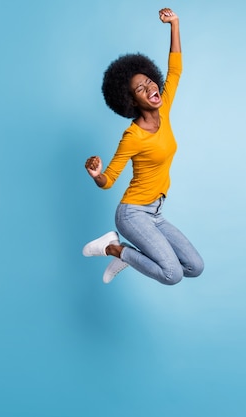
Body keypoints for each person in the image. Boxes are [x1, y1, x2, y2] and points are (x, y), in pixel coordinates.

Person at [83, 8, 204, 285]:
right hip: (132, 213)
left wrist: (175, 23)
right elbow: (109, 180)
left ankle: (122, 255)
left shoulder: (165, 106)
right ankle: (114, 248)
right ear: (131, 101)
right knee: (172, 275)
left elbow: (176, 69)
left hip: (156, 212)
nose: (150, 87)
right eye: (140, 88)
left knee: (194, 267)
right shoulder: (133, 136)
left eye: (150, 81)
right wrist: (96, 174)